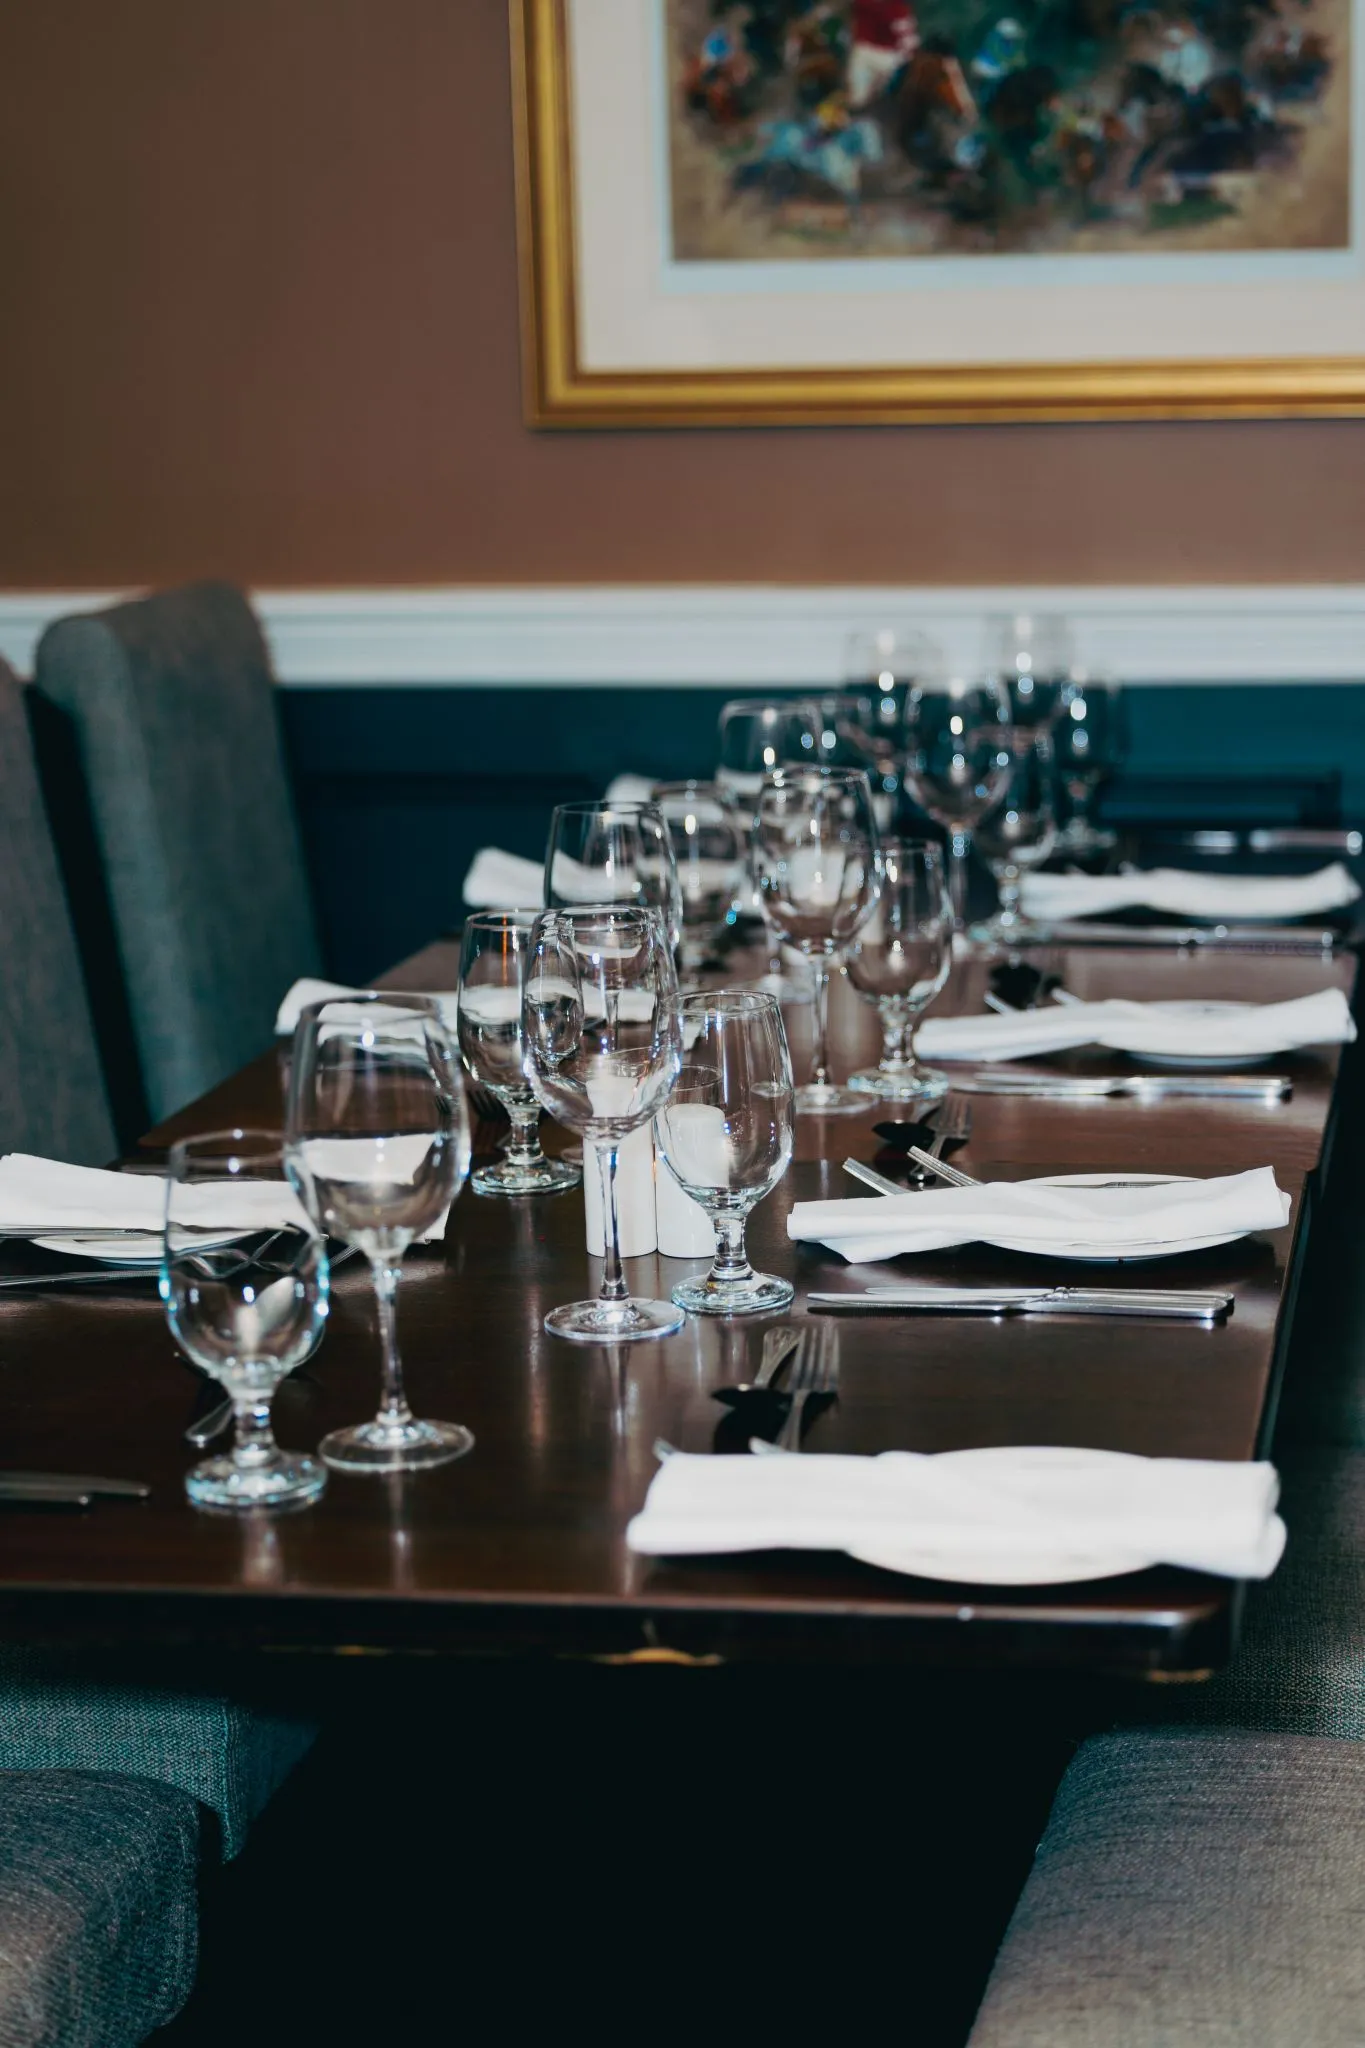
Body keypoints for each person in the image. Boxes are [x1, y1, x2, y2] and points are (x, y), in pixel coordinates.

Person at [847, 0, 920, 108]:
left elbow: (910, 42)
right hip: (867, 55)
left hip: (894, 60)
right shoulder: (866, 5)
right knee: (858, 100)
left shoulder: (900, 8)